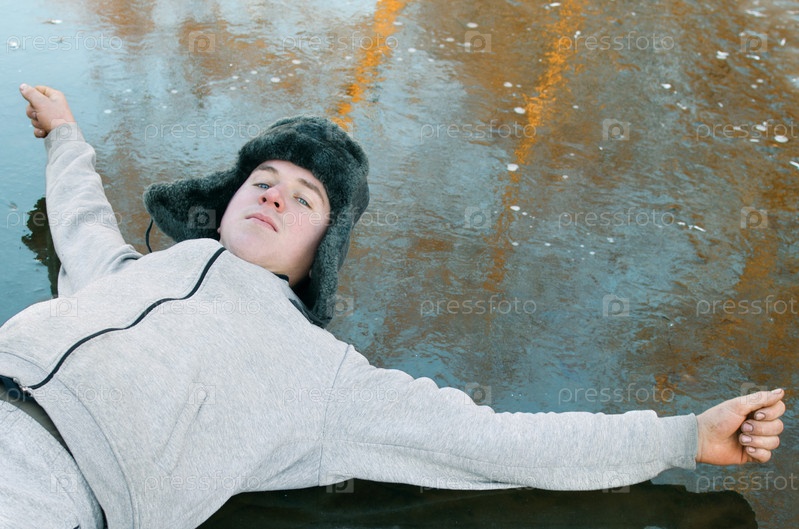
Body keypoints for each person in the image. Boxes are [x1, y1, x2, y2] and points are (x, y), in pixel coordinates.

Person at [0, 84, 785, 529]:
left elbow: (496, 443)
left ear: (320, 249)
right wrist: (65, 134)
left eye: (303, 197)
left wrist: (683, 436)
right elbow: (82, 220)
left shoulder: (322, 380)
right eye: (263, 180)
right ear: (228, 199)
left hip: (46, 489)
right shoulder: (126, 273)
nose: (273, 195)